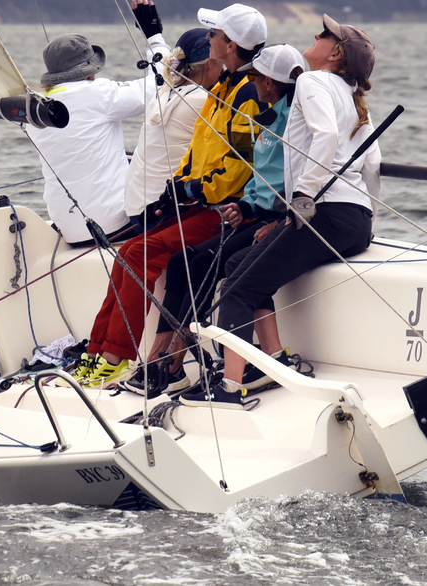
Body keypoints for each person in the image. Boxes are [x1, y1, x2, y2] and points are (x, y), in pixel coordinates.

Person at [181, 15, 380, 409]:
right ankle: (274, 360)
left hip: (322, 212)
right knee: (242, 261)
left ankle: (230, 386)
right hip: (354, 219)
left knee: (237, 284)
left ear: (335, 53)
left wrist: (304, 194)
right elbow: (371, 164)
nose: (315, 35)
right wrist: (368, 216)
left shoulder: (312, 80)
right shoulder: (350, 94)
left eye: (323, 35)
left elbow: (325, 137)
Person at [70, 3, 268, 388]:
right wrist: (176, 186)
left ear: (228, 44)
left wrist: (196, 188)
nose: (208, 38)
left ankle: (116, 357)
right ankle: (97, 352)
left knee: (141, 253)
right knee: (128, 252)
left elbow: (243, 161)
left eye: (214, 33)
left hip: (224, 210)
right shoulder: (219, 90)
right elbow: (198, 150)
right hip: (194, 203)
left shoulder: (240, 93)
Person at [122, 43, 307, 398]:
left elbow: (284, 176)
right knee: (180, 264)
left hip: (271, 215)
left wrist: (247, 207)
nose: (252, 82)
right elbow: (255, 172)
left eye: (257, 78)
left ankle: (175, 363)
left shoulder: (283, 117)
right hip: (253, 211)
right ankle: (166, 360)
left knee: (207, 265)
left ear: (268, 82)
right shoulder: (249, 102)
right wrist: (239, 205)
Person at [26, 30, 164, 244]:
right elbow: (159, 84)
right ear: (91, 70)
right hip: (115, 227)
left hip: (70, 232)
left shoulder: (36, 107)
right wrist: (154, 38)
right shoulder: (100, 93)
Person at [120, 13, 213, 232]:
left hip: (136, 212)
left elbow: (162, 63)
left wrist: (154, 36)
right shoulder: (202, 101)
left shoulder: (165, 91)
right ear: (210, 64)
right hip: (165, 214)